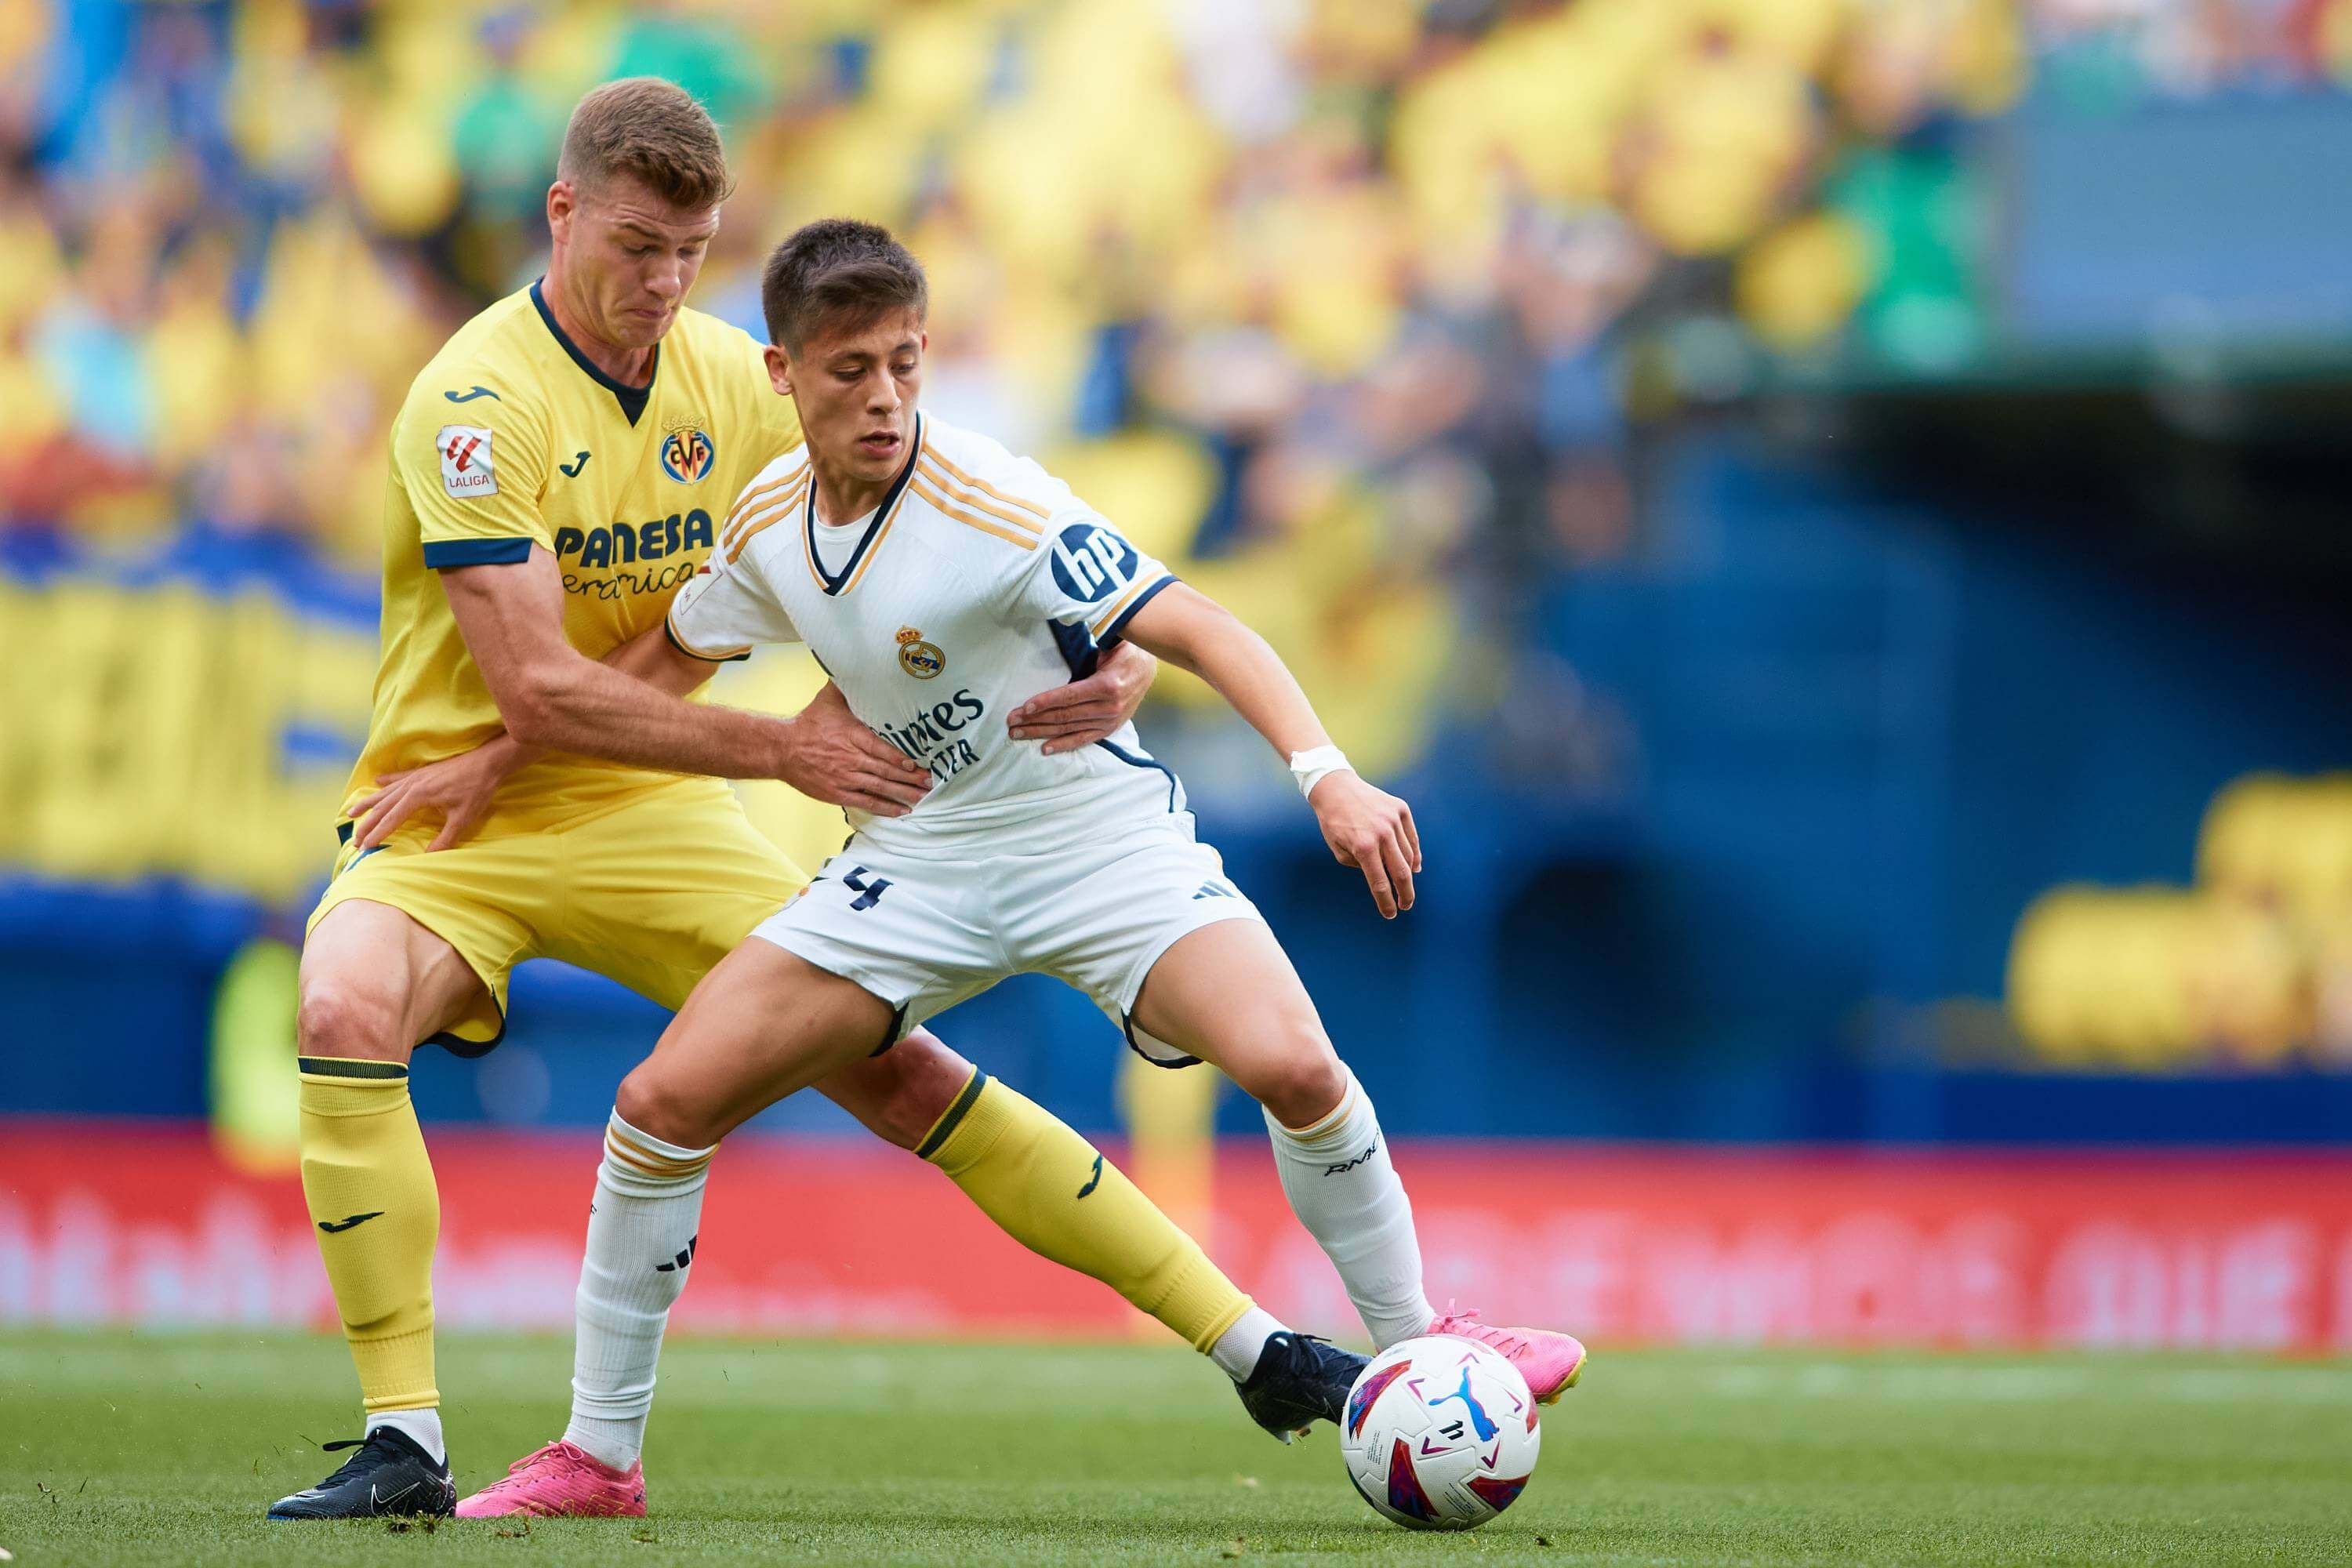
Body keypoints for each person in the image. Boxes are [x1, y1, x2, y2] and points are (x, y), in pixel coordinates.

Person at [272, 78, 1332, 1523]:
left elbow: (936, 553)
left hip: (654, 804)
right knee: (338, 1004)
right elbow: (542, 687)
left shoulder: (741, 378)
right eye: (636, 245)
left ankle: (1257, 1346)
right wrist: (764, 751)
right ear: (562, 210)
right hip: (457, 827)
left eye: (690, 253)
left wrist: (1115, 652)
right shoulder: (474, 402)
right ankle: (405, 1435)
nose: (661, 283)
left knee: (900, 1074)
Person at [448, 216, 1588, 1517]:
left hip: (1092, 844)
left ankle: (1426, 1344)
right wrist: (496, 761)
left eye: (905, 363)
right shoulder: (768, 521)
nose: (883, 399)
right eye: (849, 371)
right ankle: (597, 1460)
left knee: (1294, 1064)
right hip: (918, 861)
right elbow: (662, 666)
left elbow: (1198, 624)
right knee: (659, 1103)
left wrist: (1324, 771)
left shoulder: (991, 498)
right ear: (781, 374)